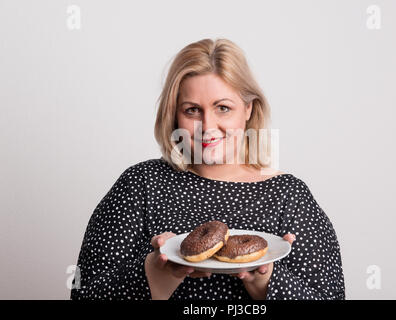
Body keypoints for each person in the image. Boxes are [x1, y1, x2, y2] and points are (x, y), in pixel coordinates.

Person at [70, 38, 345, 300]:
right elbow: (82, 293)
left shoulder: (289, 196)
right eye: (192, 110)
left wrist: (267, 283)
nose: (208, 126)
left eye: (223, 108)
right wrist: (154, 275)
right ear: (174, 114)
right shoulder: (141, 184)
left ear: (248, 108)